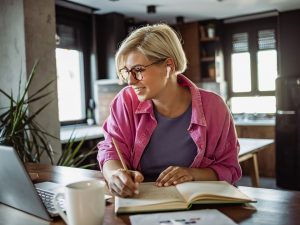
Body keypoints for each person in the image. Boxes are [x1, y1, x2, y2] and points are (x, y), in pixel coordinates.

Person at [97, 23, 242, 197]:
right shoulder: (125, 101)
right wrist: (115, 175)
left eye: (138, 70)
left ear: (169, 66)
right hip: (140, 200)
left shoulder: (214, 107)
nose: (131, 81)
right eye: (127, 72)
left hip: (196, 207)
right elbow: (110, 149)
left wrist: (193, 174)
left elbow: (230, 168)